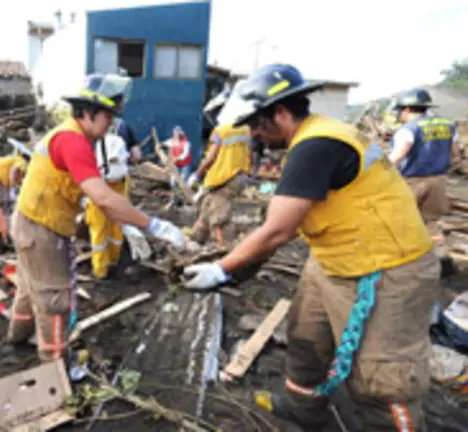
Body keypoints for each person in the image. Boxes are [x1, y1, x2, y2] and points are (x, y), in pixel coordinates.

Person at [183, 64, 438, 431]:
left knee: (383, 378)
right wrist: (236, 270)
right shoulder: (312, 140)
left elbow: (277, 230)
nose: (255, 134)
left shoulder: (317, 144)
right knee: (306, 341)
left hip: (387, 268)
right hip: (335, 258)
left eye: (257, 124)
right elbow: (284, 221)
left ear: (281, 113)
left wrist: (221, 270)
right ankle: (304, 411)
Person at [7, 73, 189, 362]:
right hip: (41, 227)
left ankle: (17, 336)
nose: (112, 123)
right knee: (55, 300)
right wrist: (155, 225)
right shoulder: (74, 142)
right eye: (108, 116)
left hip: (32, 220)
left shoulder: (71, 135)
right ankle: (55, 365)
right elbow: (103, 199)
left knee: (30, 286)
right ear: (89, 113)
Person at [387, 88, 460, 241]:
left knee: (401, 218)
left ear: (406, 109)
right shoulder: (448, 125)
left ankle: (407, 255)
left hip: (413, 182)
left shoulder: (409, 129)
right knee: (431, 222)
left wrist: (380, 173)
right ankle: (439, 257)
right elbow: (455, 154)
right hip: (439, 181)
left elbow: (398, 155)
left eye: (399, 110)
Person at [187, 87, 253, 247]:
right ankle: (196, 239)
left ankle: (224, 249)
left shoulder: (221, 131)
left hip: (225, 177)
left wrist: (197, 174)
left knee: (219, 215)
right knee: (206, 207)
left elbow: (211, 158)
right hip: (240, 175)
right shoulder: (244, 128)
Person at [85, 118, 131, 279]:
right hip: (116, 189)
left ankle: (100, 270)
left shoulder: (94, 144)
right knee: (116, 228)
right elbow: (125, 164)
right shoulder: (119, 142)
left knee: (98, 231)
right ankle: (113, 261)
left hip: (99, 187)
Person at [164, 126, 192, 206]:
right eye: (175, 133)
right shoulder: (171, 141)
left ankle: (184, 201)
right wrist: (160, 145)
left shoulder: (186, 143)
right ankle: (173, 199)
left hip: (185, 165)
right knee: (173, 183)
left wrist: (177, 158)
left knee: (183, 182)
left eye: (177, 133)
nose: (176, 135)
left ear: (180, 134)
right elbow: (164, 143)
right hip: (176, 166)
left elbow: (185, 155)